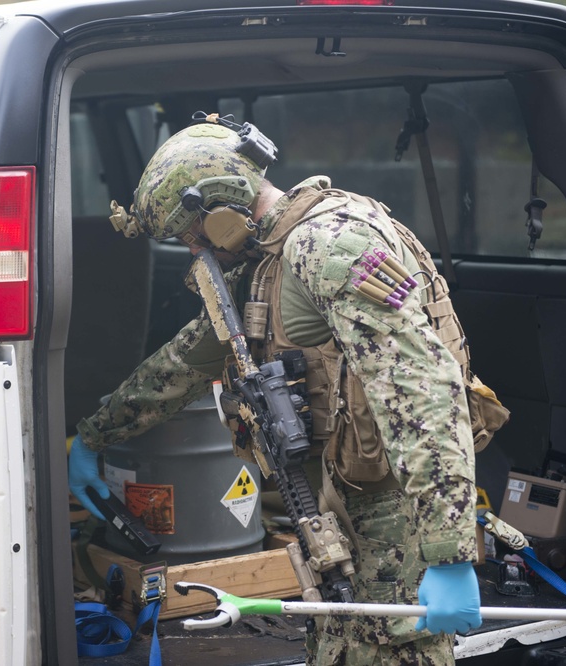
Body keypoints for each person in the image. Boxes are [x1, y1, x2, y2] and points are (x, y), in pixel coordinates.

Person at [68, 113, 483, 665]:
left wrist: (448, 552)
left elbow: (423, 391)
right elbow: (186, 359)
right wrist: (95, 435)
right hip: (339, 507)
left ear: (216, 210)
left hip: (396, 519)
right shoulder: (266, 264)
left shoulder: (329, 244)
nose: (196, 253)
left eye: (191, 237)